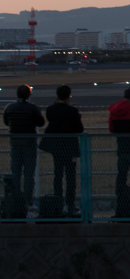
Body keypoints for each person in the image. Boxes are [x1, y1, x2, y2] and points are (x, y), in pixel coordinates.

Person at [41, 85, 84, 215]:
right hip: (70, 148)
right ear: (69, 96)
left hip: (56, 148)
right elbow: (79, 129)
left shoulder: (51, 109)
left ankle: (57, 204)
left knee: (58, 175)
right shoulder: (72, 111)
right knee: (71, 177)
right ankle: (70, 204)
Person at [3, 85, 45, 208]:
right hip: (29, 143)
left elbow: (6, 122)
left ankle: (16, 201)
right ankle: (28, 201)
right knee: (28, 174)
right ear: (29, 95)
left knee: (15, 173)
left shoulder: (9, 107)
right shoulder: (32, 108)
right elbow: (41, 123)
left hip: (15, 143)